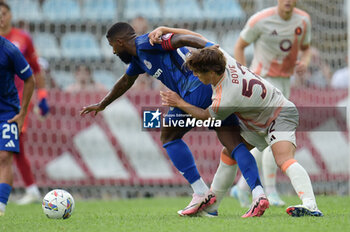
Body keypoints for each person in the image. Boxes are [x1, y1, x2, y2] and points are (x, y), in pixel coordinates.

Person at [80, 22, 269, 217]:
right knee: (233, 143)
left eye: (112, 46)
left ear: (119, 42)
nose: (113, 52)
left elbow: (180, 39)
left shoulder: (147, 42)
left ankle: (201, 191)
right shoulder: (138, 58)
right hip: (211, 90)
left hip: (194, 88)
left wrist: (207, 46)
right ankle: (258, 194)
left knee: (169, 136)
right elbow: (126, 81)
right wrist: (103, 103)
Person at [160, 46, 323, 217]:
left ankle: (310, 204)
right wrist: (165, 31)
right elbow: (196, 37)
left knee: (283, 158)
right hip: (257, 120)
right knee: (229, 153)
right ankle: (211, 208)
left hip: (279, 113)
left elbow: (205, 116)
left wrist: (179, 102)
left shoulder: (225, 98)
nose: (195, 75)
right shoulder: (223, 57)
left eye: (199, 72)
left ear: (212, 72)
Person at [230, 0, 312, 207]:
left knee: (264, 140)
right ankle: (271, 192)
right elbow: (239, 45)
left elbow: (306, 49)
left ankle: (240, 188)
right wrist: (244, 76)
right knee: (274, 136)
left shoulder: (303, 20)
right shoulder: (261, 20)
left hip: (285, 82)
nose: (287, 1)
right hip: (264, 83)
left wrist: (305, 63)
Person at [0, 2, 50, 205]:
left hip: (19, 101)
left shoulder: (22, 39)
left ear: (10, 15)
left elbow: (36, 69)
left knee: (11, 146)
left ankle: (30, 189)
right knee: (12, 147)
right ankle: (31, 189)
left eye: (4, 13)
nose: (1, 17)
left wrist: (44, 95)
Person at [0, 35, 35, 216]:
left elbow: (30, 79)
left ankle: (0, 206)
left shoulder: (10, 50)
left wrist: (22, 113)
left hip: (7, 113)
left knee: (5, 156)